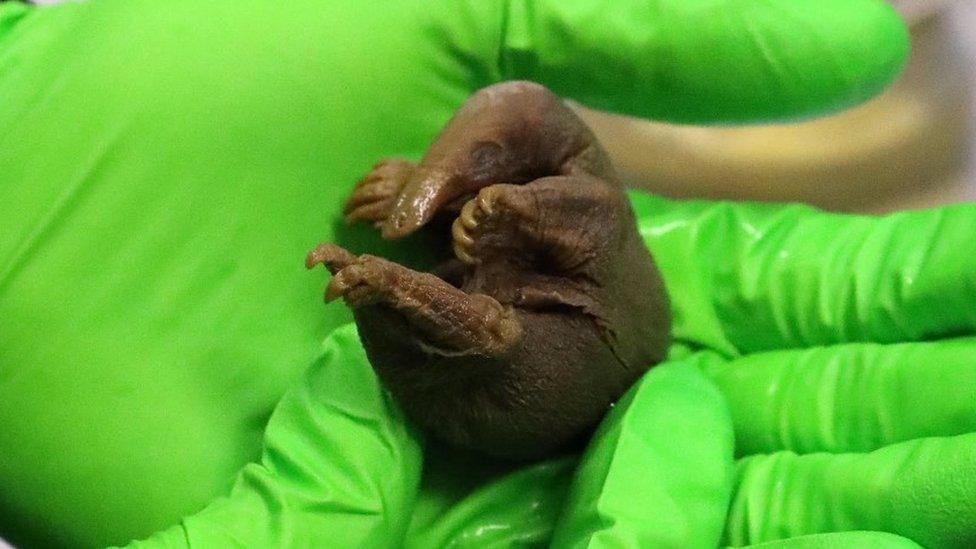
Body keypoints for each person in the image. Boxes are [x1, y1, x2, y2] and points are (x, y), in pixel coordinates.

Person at [0, 1, 973, 547]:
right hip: (496, 371)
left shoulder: (572, 187)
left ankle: (396, 280)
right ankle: (388, 285)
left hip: (557, 339)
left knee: (494, 318)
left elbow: (556, 191)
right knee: (470, 331)